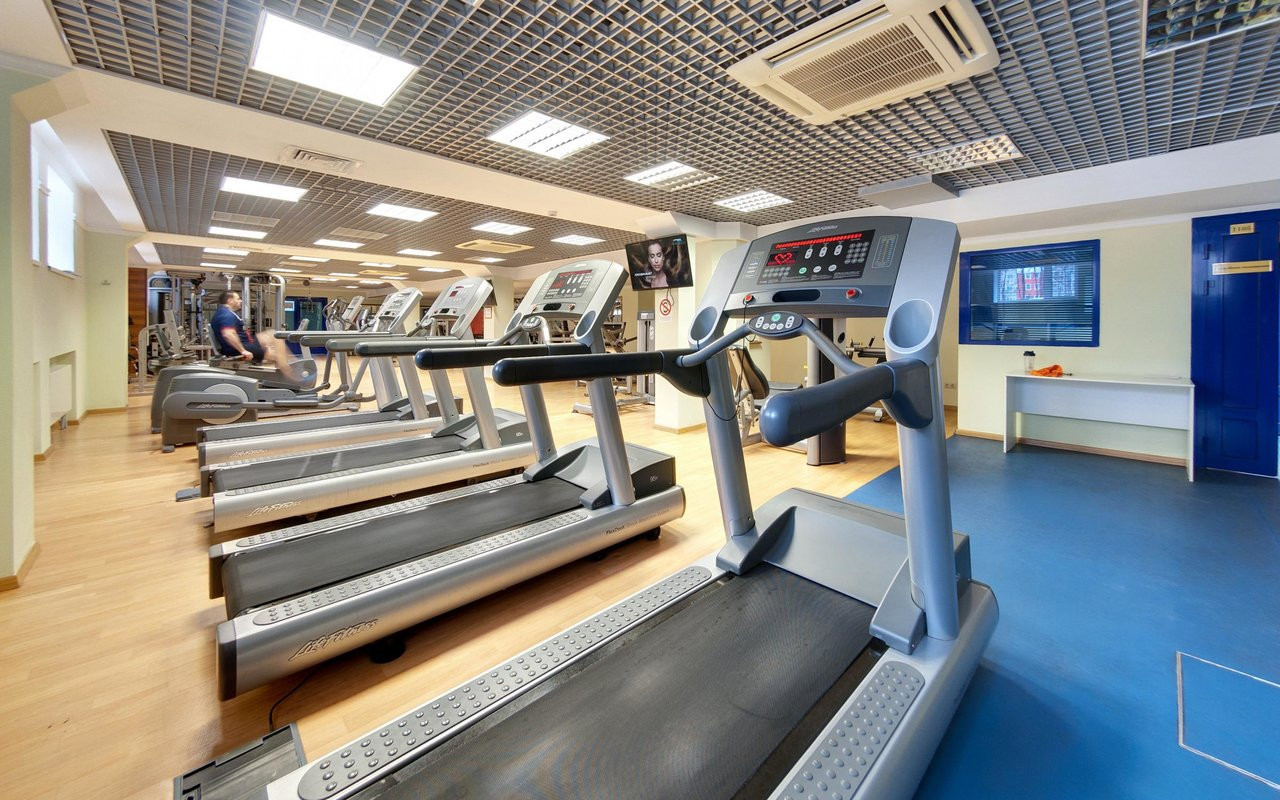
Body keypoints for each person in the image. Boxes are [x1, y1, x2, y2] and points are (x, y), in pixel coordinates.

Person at [210, 290, 297, 381]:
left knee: (273, 335)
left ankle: (289, 366)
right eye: (238, 299)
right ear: (230, 301)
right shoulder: (226, 314)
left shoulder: (223, 312)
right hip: (240, 348)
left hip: (245, 342)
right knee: (276, 355)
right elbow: (228, 334)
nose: (241, 301)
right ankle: (291, 376)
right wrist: (243, 351)